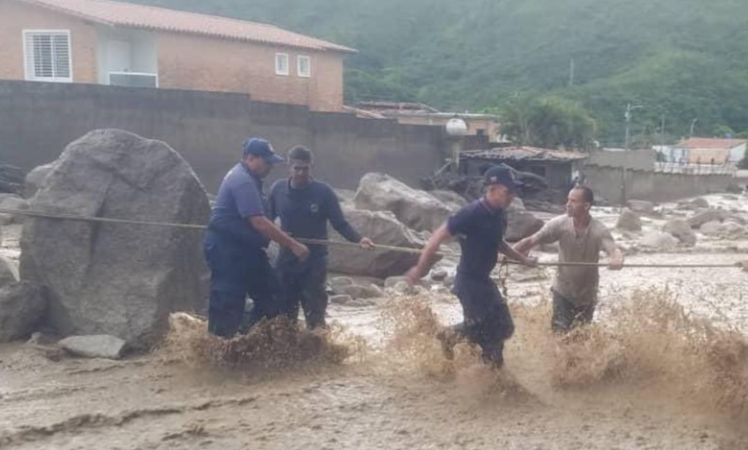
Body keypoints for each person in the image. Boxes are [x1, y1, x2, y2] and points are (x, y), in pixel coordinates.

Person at [405, 165, 536, 369]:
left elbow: (498, 243)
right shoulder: (471, 213)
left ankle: (454, 340)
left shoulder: (500, 214)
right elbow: (436, 238)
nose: (512, 196)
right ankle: (489, 379)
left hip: (483, 281)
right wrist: (420, 269)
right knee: (488, 336)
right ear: (491, 189)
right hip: (468, 282)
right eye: (507, 191)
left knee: (504, 327)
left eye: (513, 191)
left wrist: (523, 260)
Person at [204, 138, 310, 338]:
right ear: (250, 158)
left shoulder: (251, 179)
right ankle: (218, 351)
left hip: (248, 250)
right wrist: (293, 245)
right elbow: (258, 222)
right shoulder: (241, 180)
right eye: (267, 161)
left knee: (274, 295)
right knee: (228, 302)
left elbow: (260, 223)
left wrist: (279, 235)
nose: (270, 166)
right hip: (226, 249)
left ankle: (250, 339)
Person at [269, 146, 374, 330]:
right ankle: (289, 355)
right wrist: (277, 237)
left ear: (311, 167)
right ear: (289, 166)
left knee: (315, 313)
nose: (301, 173)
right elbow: (265, 221)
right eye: (297, 168)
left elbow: (339, 223)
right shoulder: (277, 190)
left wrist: (359, 239)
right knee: (284, 315)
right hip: (286, 260)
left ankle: (319, 354)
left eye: (305, 168)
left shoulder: (323, 192)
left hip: (315, 261)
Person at [512, 186, 624, 333]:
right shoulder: (559, 224)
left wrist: (617, 260)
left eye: (573, 201)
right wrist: (509, 254)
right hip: (563, 291)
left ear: (586, 206)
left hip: (587, 294)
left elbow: (614, 250)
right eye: (568, 200)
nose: (567, 204)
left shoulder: (599, 230)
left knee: (581, 337)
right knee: (560, 334)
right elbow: (532, 240)